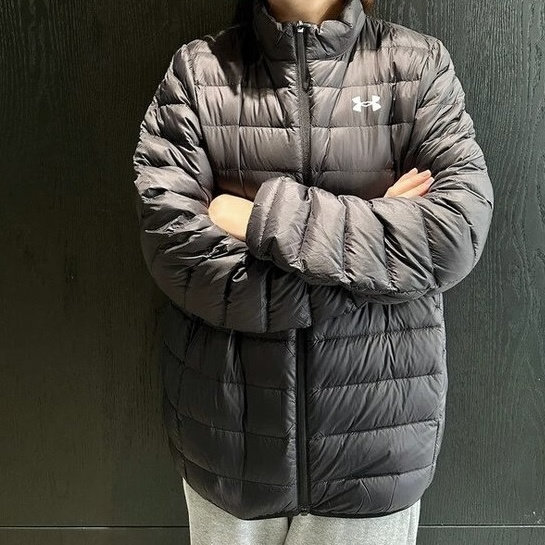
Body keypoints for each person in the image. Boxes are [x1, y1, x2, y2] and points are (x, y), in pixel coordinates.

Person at [131, 0, 494, 543]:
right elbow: (176, 249)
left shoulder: (417, 66)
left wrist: (261, 219)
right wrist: (373, 248)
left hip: (376, 457)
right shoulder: (198, 72)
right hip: (228, 453)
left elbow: (455, 232)